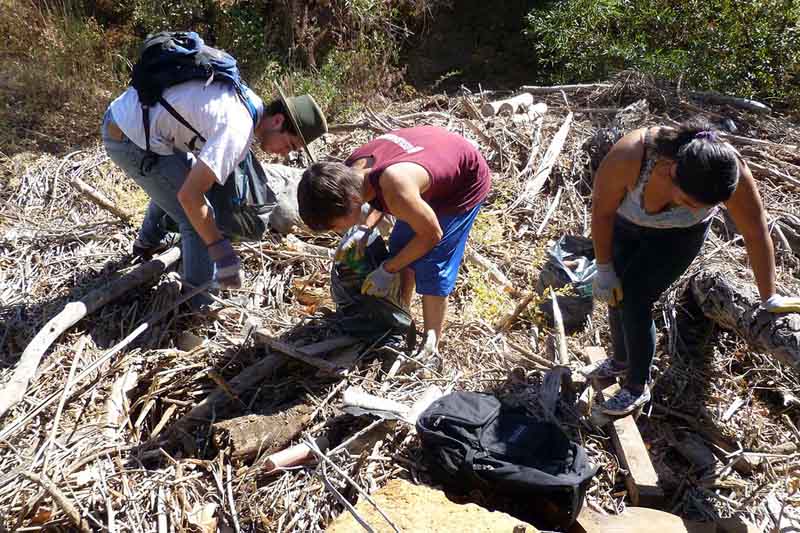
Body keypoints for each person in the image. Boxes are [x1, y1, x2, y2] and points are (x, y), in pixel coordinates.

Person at [589, 119, 800, 416]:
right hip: (624, 225)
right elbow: (601, 211)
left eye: (705, 206)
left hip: (679, 238)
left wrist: (769, 296)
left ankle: (637, 386)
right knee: (616, 291)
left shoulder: (729, 173)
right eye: (688, 200)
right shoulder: (630, 156)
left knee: (636, 297)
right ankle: (621, 359)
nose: (694, 209)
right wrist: (604, 267)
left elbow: (755, 233)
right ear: (671, 170)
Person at [102, 81, 327, 308]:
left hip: (135, 121)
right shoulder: (238, 130)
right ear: (278, 121)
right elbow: (190, 197)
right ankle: (199, 304)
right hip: (129, 137)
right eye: (289, 145)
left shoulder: (251, 103)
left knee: (179, 181)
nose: (284, 154)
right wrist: (219, 248)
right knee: (196, 220)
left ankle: (147, 244)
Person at [297, 126, 491, 346]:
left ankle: (430, 346)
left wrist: (386, 270)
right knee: (401, 248)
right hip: (429, 161)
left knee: (433, 265)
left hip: (462, 181)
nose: (336, 231)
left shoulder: (396, 187)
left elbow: (432, 235)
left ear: (351, 200)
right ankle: (401, 318)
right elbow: (377, 193)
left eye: (334, 225)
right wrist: (364, 230)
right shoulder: (352, 170)